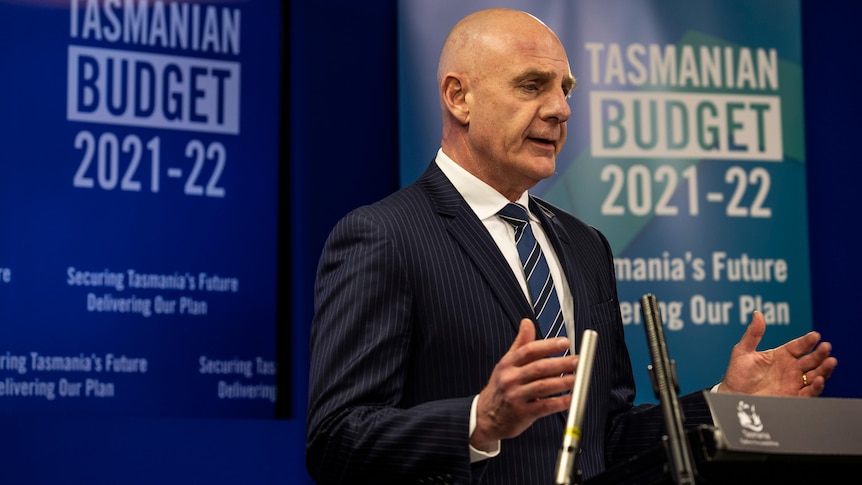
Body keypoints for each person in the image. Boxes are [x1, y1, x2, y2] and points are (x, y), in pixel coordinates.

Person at [305, 8, 837, 485]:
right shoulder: (384, 236)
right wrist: (480, 419)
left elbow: (604, 435)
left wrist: (726, 402)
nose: (560, 109)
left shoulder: (585, 245)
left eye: (565, 88)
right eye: (532, 85)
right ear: (458, 96)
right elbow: (334, 441)